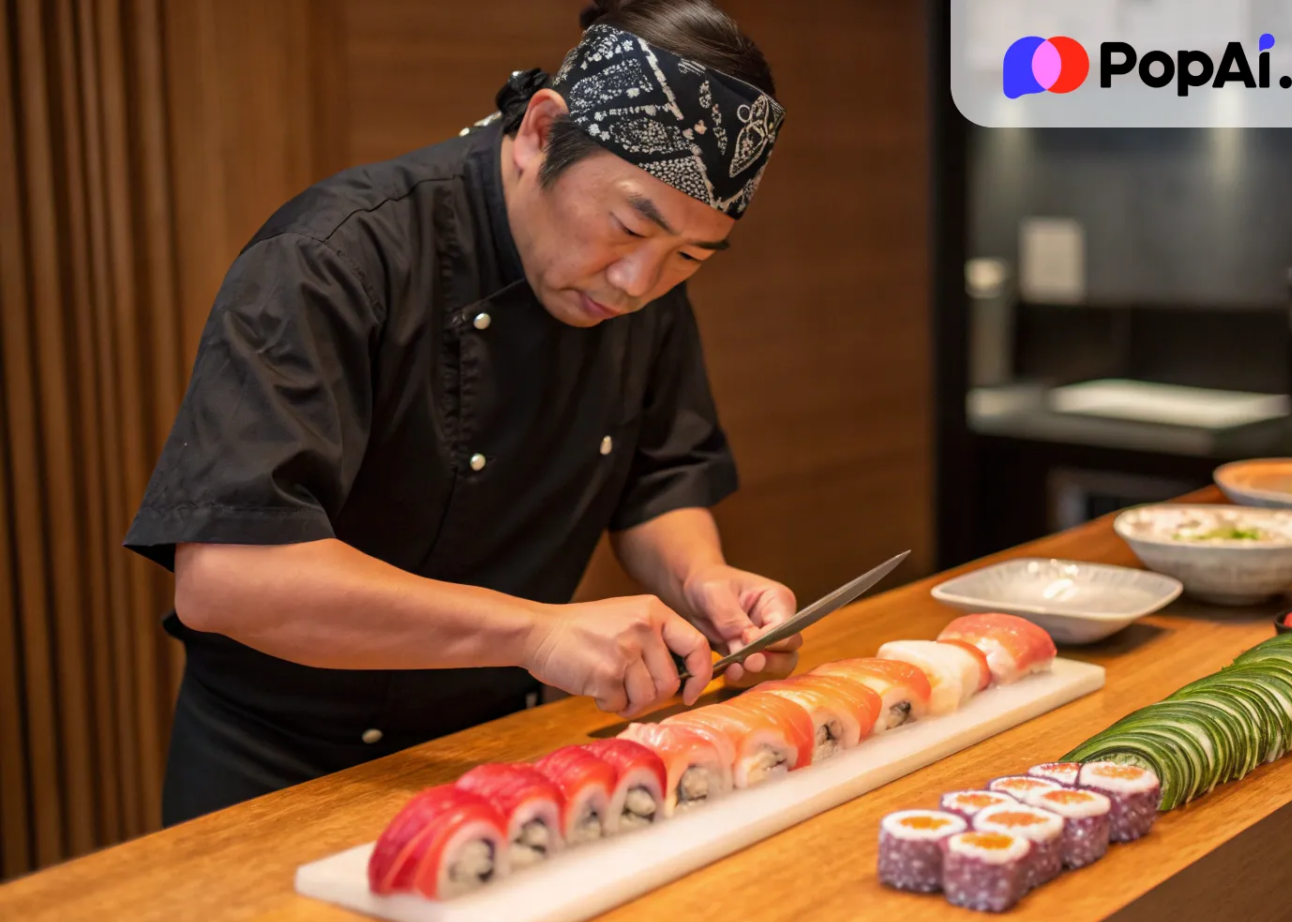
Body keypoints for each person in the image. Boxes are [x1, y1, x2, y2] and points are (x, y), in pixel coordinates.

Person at [124, 0, 796, 825]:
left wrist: (704, 581)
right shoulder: (336, 254)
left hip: (496, 757)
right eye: (628, 226)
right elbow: (229, 578)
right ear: (540, 133)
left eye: (690, 256)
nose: (638, 283)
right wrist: (537, 635)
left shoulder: (634, 285)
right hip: (284, 774)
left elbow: (659, 478)